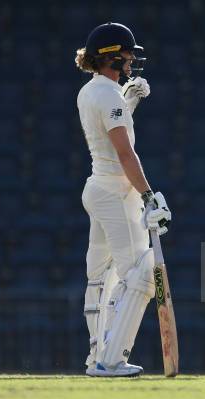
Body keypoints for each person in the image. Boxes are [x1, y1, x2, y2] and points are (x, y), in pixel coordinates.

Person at [75, 22, 172, 377]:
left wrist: (128, 101)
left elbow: (109, 131)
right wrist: (149, 196)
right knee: (141, 272)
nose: (132, 60)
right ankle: (111, 360)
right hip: (117, 192)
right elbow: (125, 153)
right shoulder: (108, 95)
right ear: (114, 56)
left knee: (101, 277)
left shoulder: (92, 91)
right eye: (128, 54)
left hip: (98, 188)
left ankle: (96, 356)